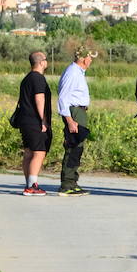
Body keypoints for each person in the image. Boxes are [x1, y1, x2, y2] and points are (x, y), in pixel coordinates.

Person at [56, 47, 97, 197]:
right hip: (73, 112)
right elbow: (63, 98)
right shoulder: (73, 72)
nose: (91, 60)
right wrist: (70, 120)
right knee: (73, 146)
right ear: (84, 59)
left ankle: (72, 181)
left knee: (77, 147)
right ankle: (67, 184)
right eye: (90, 58)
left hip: (78, 111)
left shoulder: (78, 72)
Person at [14, 50, 51, 195]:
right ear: (41, 62)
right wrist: (43, 119)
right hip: (35, 120)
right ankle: (32, 186)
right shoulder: (38, 78)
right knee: (39, 152)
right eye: (46, 59)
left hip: (25, 120)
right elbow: (39, 98)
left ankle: (29, 183)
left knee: (29, 152)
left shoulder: (27, 78)